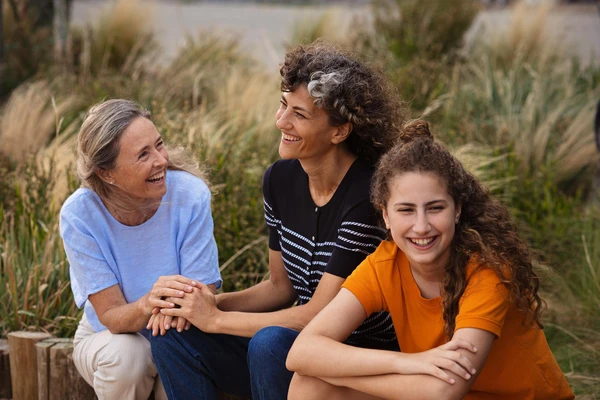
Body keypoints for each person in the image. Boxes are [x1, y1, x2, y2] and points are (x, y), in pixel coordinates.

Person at [150, 41, 405, 400]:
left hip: (360, 363)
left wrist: (217, 320)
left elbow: (316, 314)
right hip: (301, 349)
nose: (281, 122)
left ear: (340, 131)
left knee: (271, 343)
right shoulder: (280, 179)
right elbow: (279, 288)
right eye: (283, 105)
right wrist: (197, 305)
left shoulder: (367, 195)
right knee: (172, 333)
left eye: (299, 115)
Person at [286, 120, 575, 400]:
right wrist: (406, 363)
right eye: (406, 210)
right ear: (386, 215)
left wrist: (338, 372)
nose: (421, 226)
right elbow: (302, 352)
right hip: (426, 385)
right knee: (309, 384)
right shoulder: (385, 264)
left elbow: (445, 390)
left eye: (435, 208)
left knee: (322, 376)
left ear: (457, 210)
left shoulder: (488, 270)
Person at [59, 99, 222, 400]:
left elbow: (204, 295)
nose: (161, 160)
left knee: (174, 355)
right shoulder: (79, 214)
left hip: (180, 329)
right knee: (129, 356)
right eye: (143, 155)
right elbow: (111, 316)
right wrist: (149, 303)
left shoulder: (190, 194)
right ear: (106, 173)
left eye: (159, 145)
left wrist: (166, 316)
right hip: (107, 338)